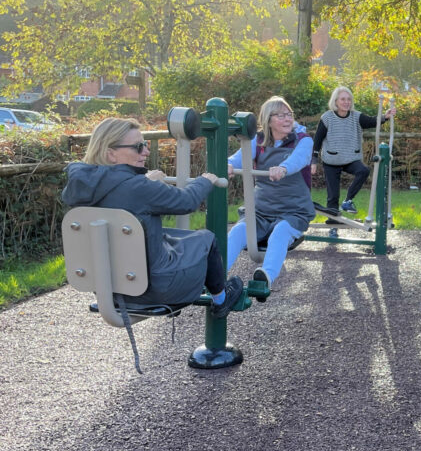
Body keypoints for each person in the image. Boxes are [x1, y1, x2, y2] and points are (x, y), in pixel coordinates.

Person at [62, 118, 244, 317]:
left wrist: (145, 180)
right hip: (156, 289)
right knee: (206, 238)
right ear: (111, 153)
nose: (146, 152)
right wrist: (205, 180)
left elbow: (120, 194)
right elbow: (186, 201)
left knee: (174, 236)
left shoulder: (80, 187)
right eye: (138, 147)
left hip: (108, 290)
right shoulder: (140, 188)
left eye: (145, 145)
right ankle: (221, 299)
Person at [226, 96, 315, 290]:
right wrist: (229, 165)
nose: (287, 119)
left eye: (289, 114)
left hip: (293, 210)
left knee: (280, 232)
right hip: (261, 210)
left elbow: (298, 160)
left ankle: (266, 276)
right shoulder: (257, 141)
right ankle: (215, 276)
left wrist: (282, 168)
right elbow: (240, 157)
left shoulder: (303, 140)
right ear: (268, 120)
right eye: (281, 115)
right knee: (238, 231)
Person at [311, 86, 396, 216]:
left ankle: (348, 201)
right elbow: (317, 140)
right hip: (331, 161)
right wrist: (314, 160)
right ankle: (333, 225)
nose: (346, 102)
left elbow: (372, 121)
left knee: (363, 171)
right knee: (333, 196)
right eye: (343, 99)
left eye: (349, 99)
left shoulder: (356, 116)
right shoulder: (327, 117)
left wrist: (386, 116)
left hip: (350, 158)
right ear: (335, 101)